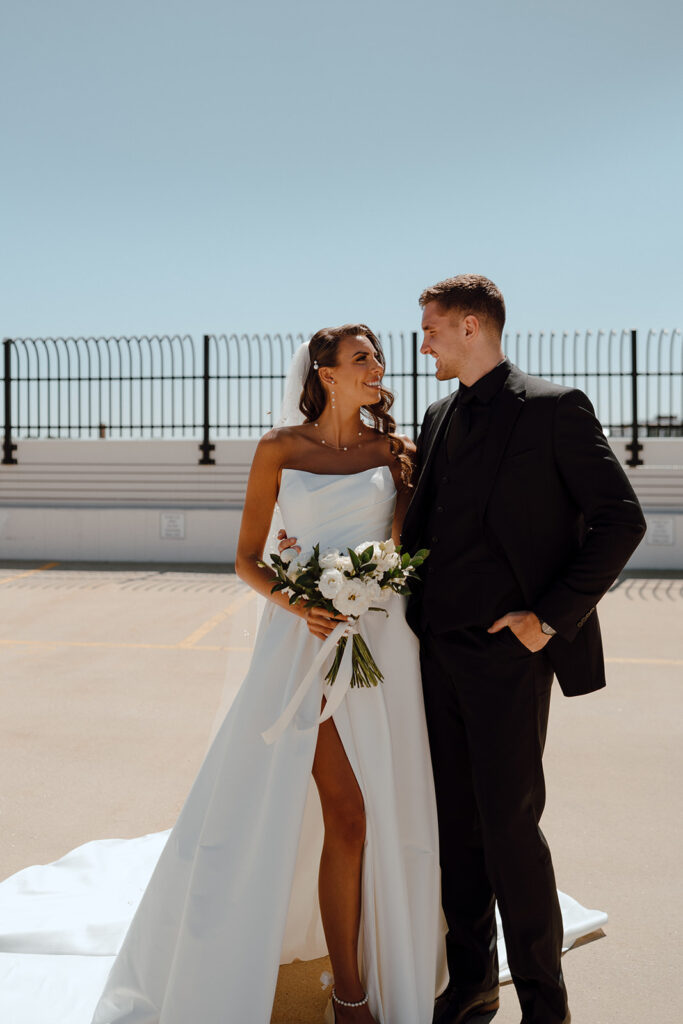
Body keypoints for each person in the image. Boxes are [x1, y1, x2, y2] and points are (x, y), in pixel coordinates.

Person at [88, 324, 446, 1024]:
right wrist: (304, 603)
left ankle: (383, 951)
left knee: (386, 806)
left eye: (377, 356)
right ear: (326, 373)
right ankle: (349, 991)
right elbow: (247, 559)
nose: (377, 366)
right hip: (301, 647)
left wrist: (369, 582)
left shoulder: (394, 452)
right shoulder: (279, 449)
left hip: (383, 645)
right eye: (362, 358)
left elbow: (403, 549)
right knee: (346, 813)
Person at [399, 274, 646, 1024]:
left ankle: (545, 1002)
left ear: (471, 326)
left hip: (507, 655)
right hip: (433, 653)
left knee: (509, 828)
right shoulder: (437, 414)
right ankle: (471, 987)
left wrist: (547, 619)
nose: (423, 342)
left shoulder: (553, 409)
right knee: (456, 830)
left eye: (432, 327)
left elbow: (620, 520)